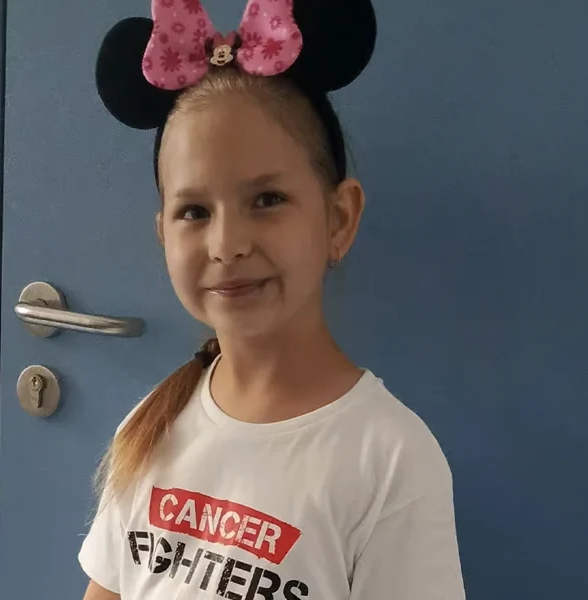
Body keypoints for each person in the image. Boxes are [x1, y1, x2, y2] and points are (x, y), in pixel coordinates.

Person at [80, 1, 466, 598]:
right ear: (162, 234)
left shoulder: (389, 458)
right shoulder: (150, 426)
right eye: (194, 211)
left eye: (266, 200)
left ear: (339, 219)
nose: (227, 244)